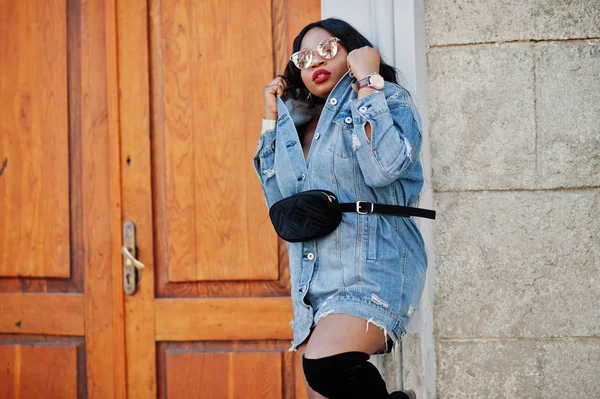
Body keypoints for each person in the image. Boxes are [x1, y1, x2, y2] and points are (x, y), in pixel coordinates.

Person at [254, 18, 427, 399]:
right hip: (314, 279)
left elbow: (385, 167)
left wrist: (368, 80)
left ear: (353, 51)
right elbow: (278, 202)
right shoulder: (297, 123)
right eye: (304, 56)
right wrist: (272, 117)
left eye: (328, 49)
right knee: (324, 385)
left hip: (373, 268)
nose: (316, 60)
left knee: (325, 365)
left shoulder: (387, 100)